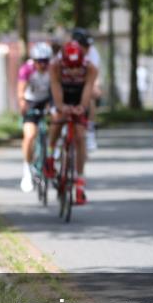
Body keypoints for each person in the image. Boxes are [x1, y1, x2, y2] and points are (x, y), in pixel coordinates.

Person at [45, 40, 97, 205]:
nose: (74, 71)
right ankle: (51, 156)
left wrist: (81, 107)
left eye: (77, 67)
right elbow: (55, 88)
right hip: (61, 94)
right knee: (57, 120)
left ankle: (80, 183)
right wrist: (61, 107)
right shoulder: (55, 66)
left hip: (79, 96)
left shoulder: (90, 68)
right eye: (70, 67)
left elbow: (88, 90)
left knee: (80, 136)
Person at [17, 42, 54, 192]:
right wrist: (23, 105)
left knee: (57, 129)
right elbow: (20, 92)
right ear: (34, 61)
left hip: (47, 101)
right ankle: (27, 171)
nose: (43, 65)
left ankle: (52, 161)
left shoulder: (52, 71)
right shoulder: (27, 69)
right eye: (40, 61)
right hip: (31, 102)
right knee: (30, 135)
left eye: (46, 61)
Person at [72, 28, 102, 152]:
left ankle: (90, 129)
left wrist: (95, 87)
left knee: (90, 95)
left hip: (85, 81)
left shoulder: (92, 53)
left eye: (88, 45)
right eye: (85, 46)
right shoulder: (66, 52)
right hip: (67, 81)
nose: (87, 48)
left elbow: (94, 75)